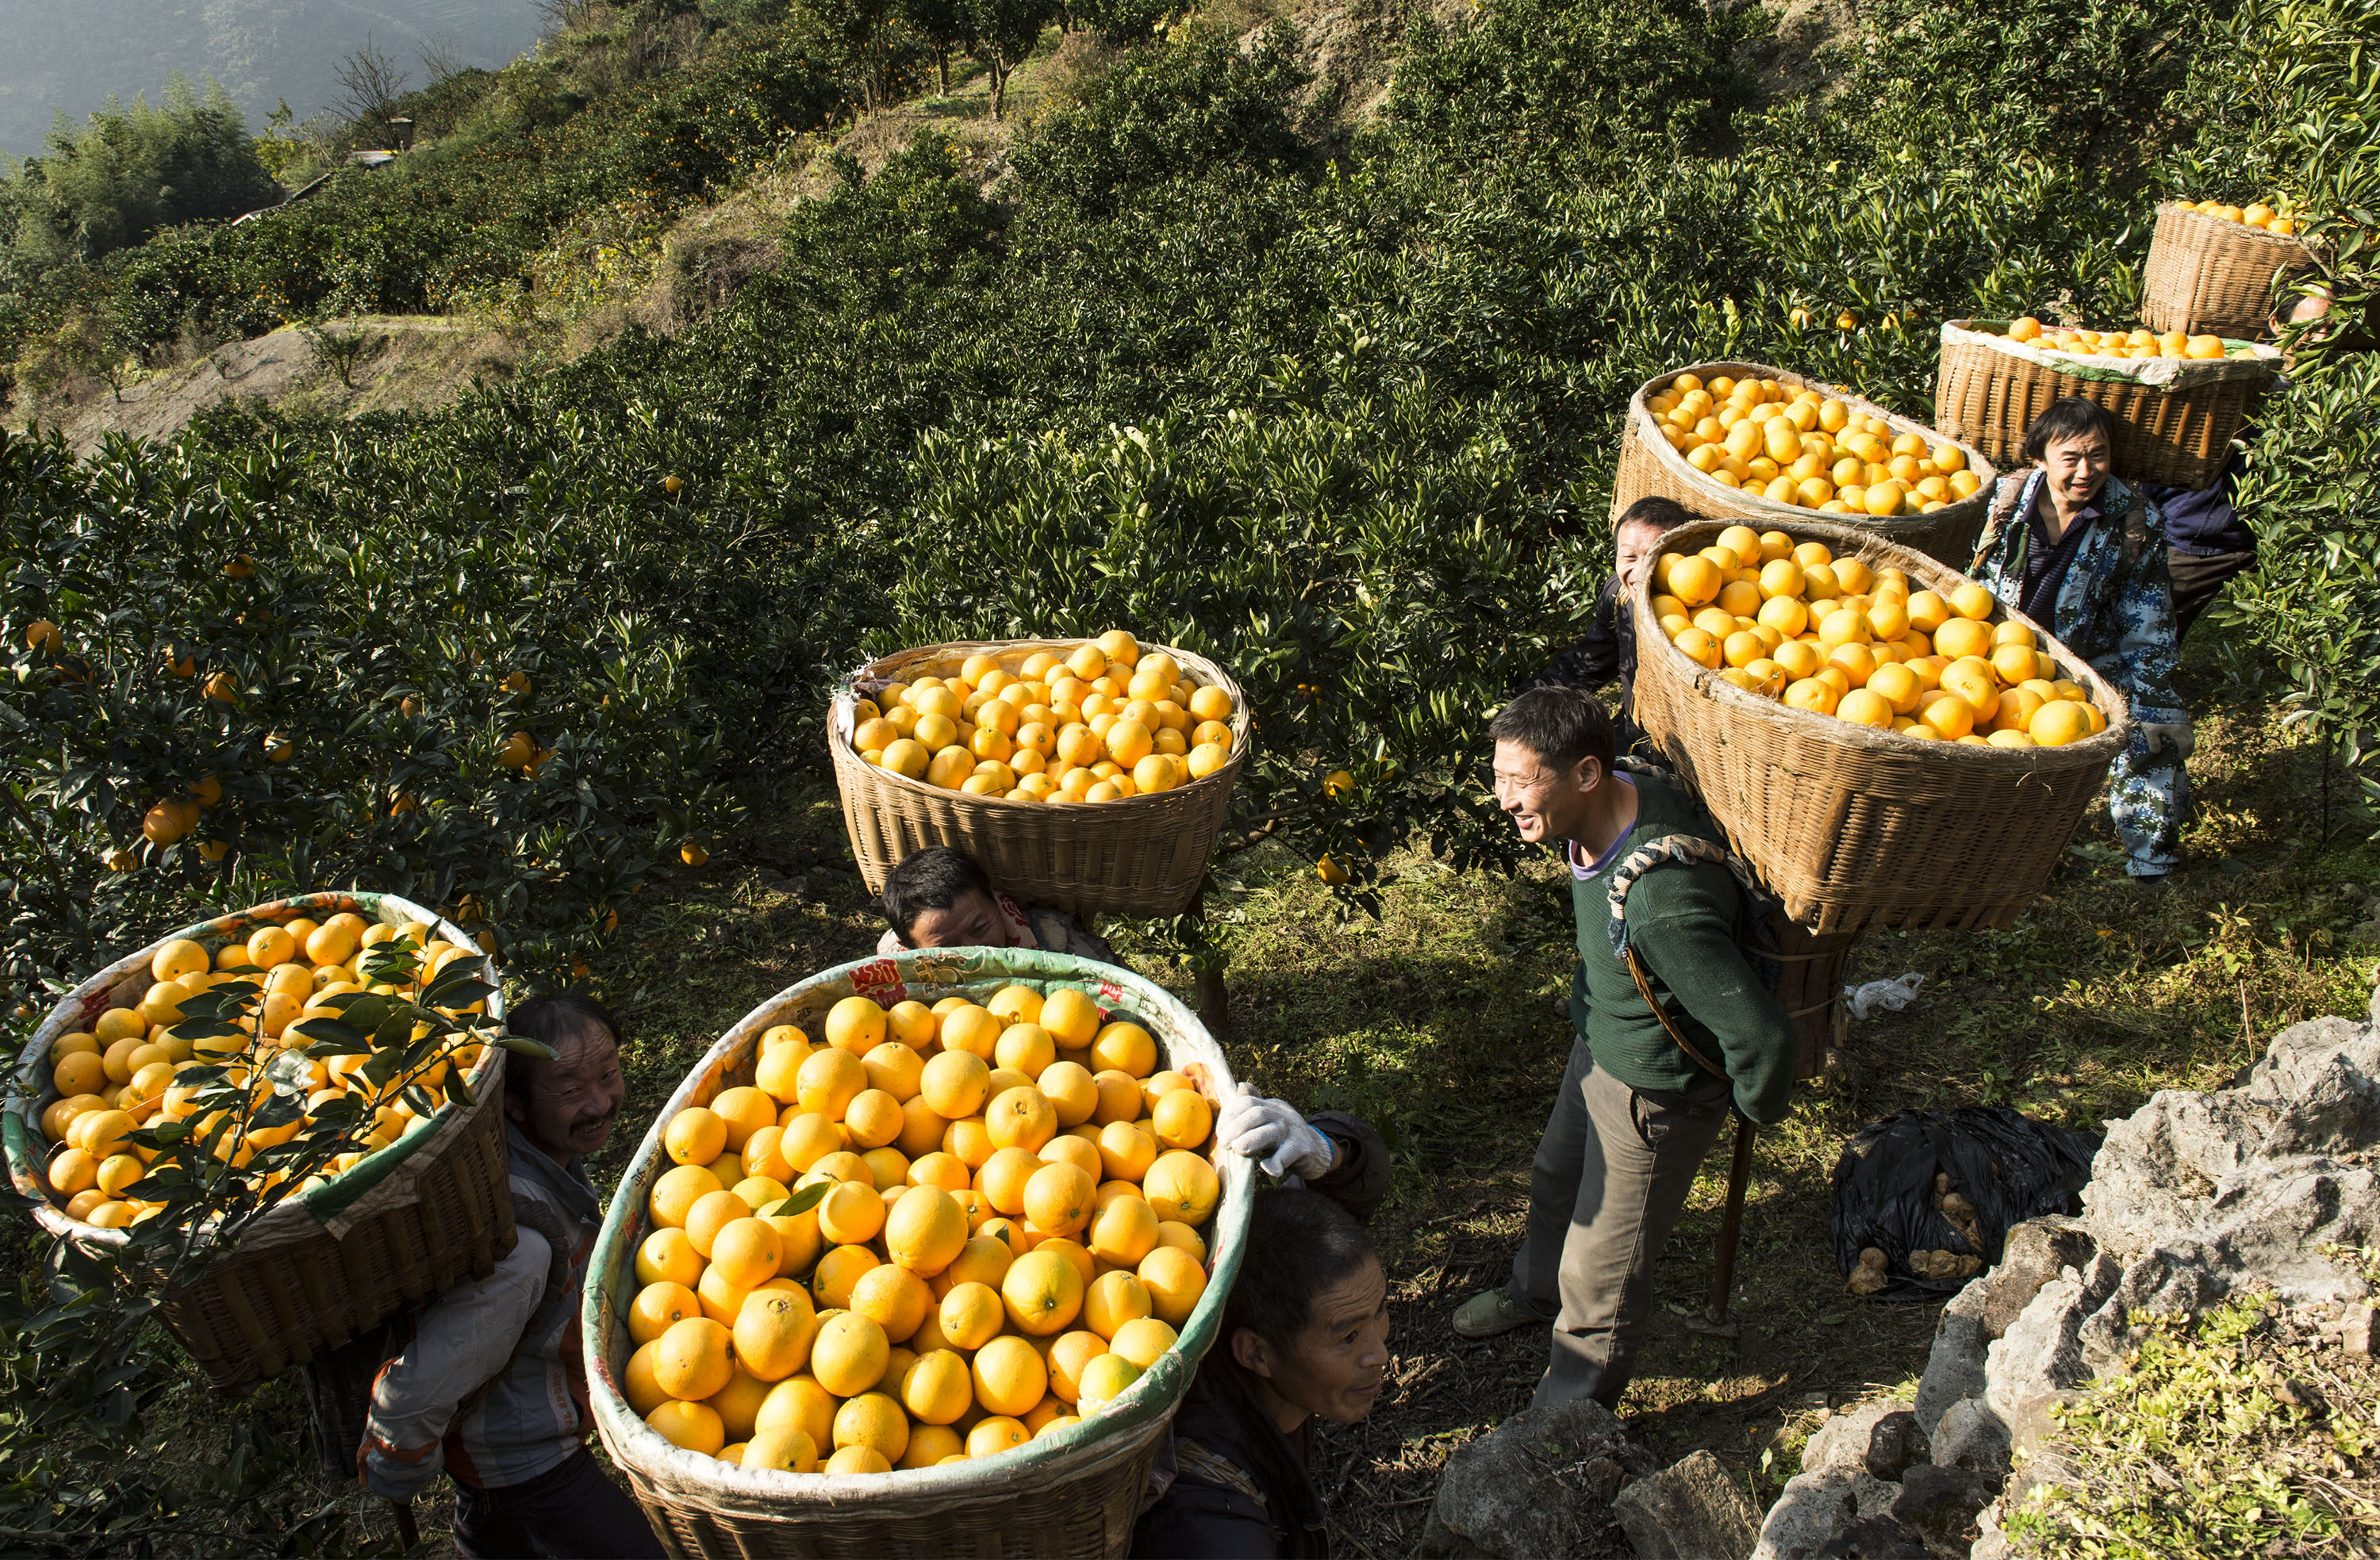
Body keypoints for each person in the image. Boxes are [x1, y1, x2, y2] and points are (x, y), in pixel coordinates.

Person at [1451, 687, 1795, 1412]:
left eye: (1522, 780)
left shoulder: (1661, 900)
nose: (1505, 798)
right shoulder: (1606, 802)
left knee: (1599, 1275)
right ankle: (1531, 1291)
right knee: (1554, 1178)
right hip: (1600, 1045)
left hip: (1655, 1093)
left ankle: (1567, 1419)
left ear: (1584, 773)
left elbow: (1759, 1033)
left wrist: (1755, 1102)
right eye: (1500, 776)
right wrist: (1589, 1013)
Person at [359, 993, 664, 1560]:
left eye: (609, 1073)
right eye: (572, 1090)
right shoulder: (520, 1249)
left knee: (494, 1533)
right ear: (517, 1105)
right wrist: (396, 1465)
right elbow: (427, 1379)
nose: (600, 1101)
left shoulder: (544, 1158)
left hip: (512, 1454)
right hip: (523, 1459)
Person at [1134, 1097, 1392, 1558]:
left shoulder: (1266, 1302)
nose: (1381, 1355)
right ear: (1255, 1353)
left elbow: (1361, 1177)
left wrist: (1329, 1151)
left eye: (1381, 1313)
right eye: (1349, 1337)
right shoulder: (1212, 1522)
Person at [1970, 397, 2190, 884]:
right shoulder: (2001, 502)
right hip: (1994, 650)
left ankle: (2152, 861)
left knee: (2149, 733)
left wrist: (2154, 698)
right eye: (2070, 458)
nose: (2086, 471)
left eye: (2099, 455)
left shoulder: (2134, 519)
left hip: (2087, 658)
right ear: (2040, 457)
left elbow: (2148, 617)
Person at [1525, 496, 1691, 755]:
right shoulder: (1620, 597)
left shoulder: (1711, 620)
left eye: (1656, 555)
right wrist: (1523, 702)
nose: (1640, 571)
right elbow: (1587, 665)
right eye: (1629, 557)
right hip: (1641, 741)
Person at [875, 845, 1124, 966]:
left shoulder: (1059, 945)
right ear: (913, 948)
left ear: (996, 903)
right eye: (948, 947)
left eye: (980, 928)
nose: (975, 952)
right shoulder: (896, 968)